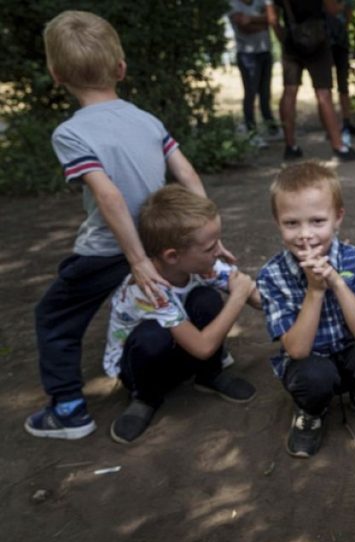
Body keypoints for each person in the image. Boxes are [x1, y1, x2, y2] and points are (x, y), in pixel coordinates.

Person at [25, 10, 215, 440]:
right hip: (162, 240)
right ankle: (207, 361)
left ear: (56, 74)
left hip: (110, 249)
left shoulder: (71, 133)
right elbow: (188, 176)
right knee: (183, 295)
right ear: (121, 68)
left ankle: (69, 409)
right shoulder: (146, 119)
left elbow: (108, 195)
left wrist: (133, 258)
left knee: (54, 317)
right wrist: (205, 237)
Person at [257, 161, 355, 458]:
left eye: (317, 221)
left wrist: (335, 281)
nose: (305, 234)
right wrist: (315, 290)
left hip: (351, 353)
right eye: (292, 223)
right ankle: (312, 411)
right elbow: (296, 350)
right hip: (310, 363)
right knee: (312, 377)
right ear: (277, 222)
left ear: (337, 219)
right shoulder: (271, 275)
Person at [103, 186, 260, 443]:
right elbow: (202, 346)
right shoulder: (150, 290)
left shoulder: (201, 263)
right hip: (142, 365)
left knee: (205, 298)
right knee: (152, 335)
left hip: (182, 349)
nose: (219, 252)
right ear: (172, 256)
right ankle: (145, 398)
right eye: (211, 246)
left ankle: (209, 375)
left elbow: (259, 300)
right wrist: (238, 296)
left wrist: (310, 292)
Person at [266, 0, 355, 161]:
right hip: (318, 40)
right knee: (324, 93)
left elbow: (272, 19)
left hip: (292, 40)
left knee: (289, 91)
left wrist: (285, 37)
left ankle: (290, 146)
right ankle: (339, 146)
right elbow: (331, 8)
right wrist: (344, 6)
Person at [228, 0, 281, 142]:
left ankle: (271, 127)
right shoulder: (233, 4)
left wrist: (251, 19)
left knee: (265, 93)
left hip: (265, 52)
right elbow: (245, 28)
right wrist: (264, 21)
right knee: (250, 93)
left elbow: (272, 18)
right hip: (247, 55)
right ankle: (252, 131)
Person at [326, 0, 355, 143]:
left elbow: (346, 18)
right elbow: (333, 9)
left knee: (342, 86)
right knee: (326, 88)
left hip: (340, 43)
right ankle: (332, 125)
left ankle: (345, 122)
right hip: (326, 43)